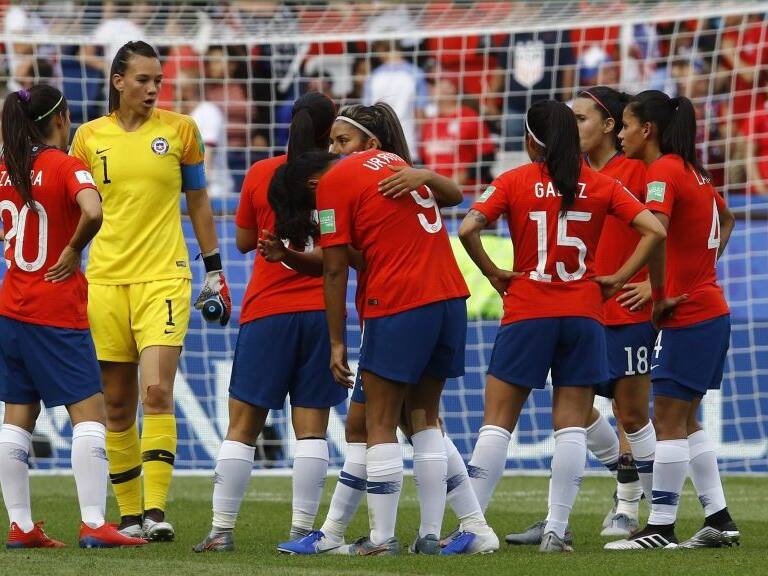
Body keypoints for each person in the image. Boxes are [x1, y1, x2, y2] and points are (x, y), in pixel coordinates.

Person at [276, 103, 498, 556]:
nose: (334, 151)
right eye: (332, 143)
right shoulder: (398, 165)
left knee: (377, 422)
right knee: (419, 420)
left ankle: (382, 539)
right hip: (449, 299)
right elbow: (376, 246)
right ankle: (432, 536)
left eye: (342, 141)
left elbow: (335, 270)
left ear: (368, 143)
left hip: (397, 304)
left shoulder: (337, 182)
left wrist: (337, 342)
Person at [459, 100, 666, 553]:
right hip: (584, 312)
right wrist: (616, 277)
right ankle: (556, 528)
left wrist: (494, 272)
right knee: (570, 425)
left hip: (529, 310)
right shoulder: (599, 183)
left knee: (497, 423)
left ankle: (472, 528)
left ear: (532, 140)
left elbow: (468, 227)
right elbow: (655, 230)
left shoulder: (514, 180)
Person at [70, 41, 230, 541]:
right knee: (115, 404)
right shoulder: (86, 138)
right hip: (104, 280)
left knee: (157, 390)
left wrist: (214, 271)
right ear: (118, 81)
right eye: (143, 79)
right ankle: (130, 515)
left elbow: (199, 203)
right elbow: (75, 207)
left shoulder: (181, 131)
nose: (153, 88)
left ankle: (157, 513)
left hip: (164, 276)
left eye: (158, 80)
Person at [192, 92, 344, 553]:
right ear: (328, 131)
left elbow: (241, 242)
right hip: (322, 312)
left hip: (266, 312)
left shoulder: (261, 174)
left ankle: (221, 530)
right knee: (312, 427)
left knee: (243, 425)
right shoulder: (336, 176)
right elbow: (339, 250)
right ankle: (301, 532)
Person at [505, 86, 654, 546]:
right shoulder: (569, 174)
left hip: (627, 307)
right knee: (573, 410)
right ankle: (568, 514)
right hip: (580, 309)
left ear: (610, 126)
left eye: (582, 118)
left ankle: (633, 510)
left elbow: (688, 224)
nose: (572, 128)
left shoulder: (639, 170)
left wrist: (659, 285)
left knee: (630, 413)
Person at [0, 85, 146, 549]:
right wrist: (71, 248)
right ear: (60, 119)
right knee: (90, 415)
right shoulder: (65, 165)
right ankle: (93, 523)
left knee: (16, 417)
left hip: (10, 307)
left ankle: (21, 527)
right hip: (55, 309)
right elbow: (92, 208)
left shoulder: (5, 168)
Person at [606, 91, 739, 550]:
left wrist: (657, 291)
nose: (620, 134)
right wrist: (701, 271)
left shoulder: (662, 170)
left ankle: (660, 528)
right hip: (709, 308)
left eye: (625, 125)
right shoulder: (694, 171)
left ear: (649, 130)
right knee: (686, 420)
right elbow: (728, 216)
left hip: (689, 313)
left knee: (665, 419)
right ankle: (719, 519)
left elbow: (656, 231)